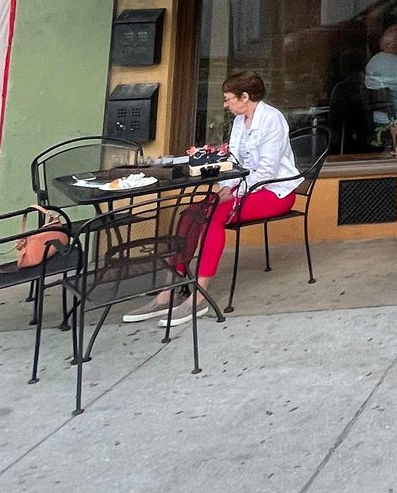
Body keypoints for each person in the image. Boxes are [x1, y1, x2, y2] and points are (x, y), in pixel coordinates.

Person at [123, 71, 302, 320]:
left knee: (214, 215)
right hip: (243, 188)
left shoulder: (272, 119)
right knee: (191, 213)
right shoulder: (240, 121)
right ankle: (168, 292)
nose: (225, 104)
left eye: (229, 99)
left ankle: (199, 297)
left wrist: (232, 191)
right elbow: (233, 160)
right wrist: (225, 187)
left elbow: (267, 171)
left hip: (275, 191)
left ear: (245, 96)